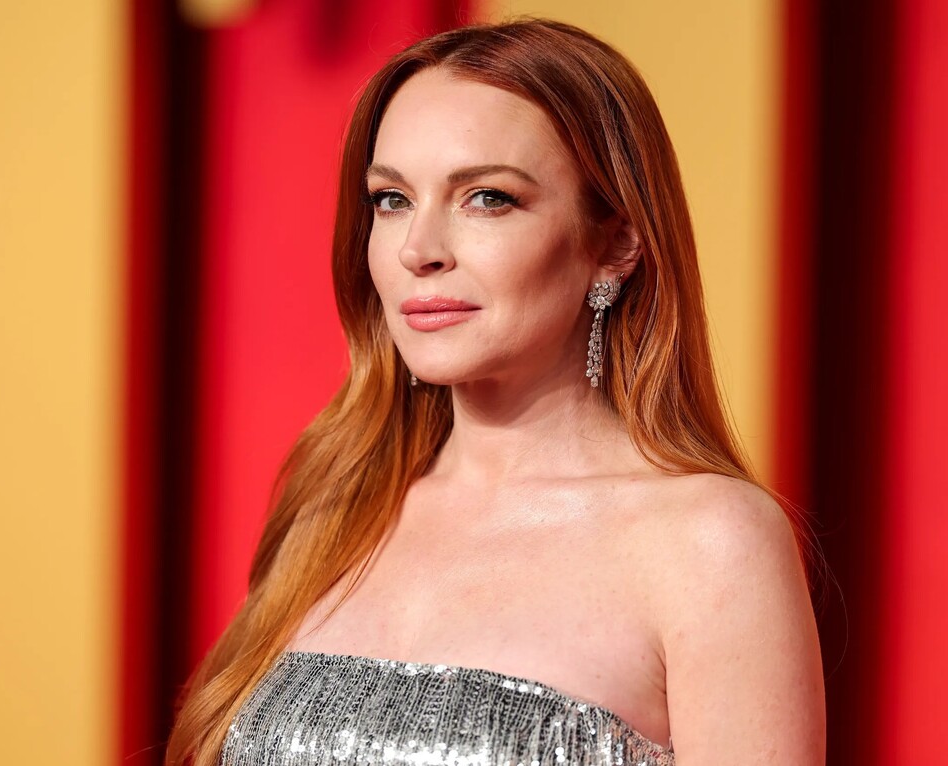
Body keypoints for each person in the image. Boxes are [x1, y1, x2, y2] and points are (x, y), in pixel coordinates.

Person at [167, 18, 825, 766]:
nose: (418, 250)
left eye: (486, 198)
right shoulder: (335, 502)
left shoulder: (710, 543)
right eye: (391, 199)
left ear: (616, 242)